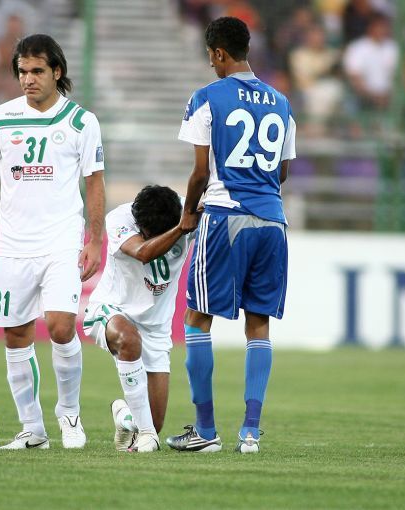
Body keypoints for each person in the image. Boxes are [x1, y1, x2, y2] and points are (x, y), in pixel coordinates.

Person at [0, 34, 105, 450]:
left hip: (61, 239)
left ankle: (69, 414)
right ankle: (33, 430)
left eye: (37, 71)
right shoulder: (0, 118)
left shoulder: (81, 122)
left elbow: (95, 183)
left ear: (57, 72)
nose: (28, 79)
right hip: (12, 243)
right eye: (22, 71)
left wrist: (95, 239)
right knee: (15, 334)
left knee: (61, 326)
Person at [166, 16, 296, 454]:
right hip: (272, 221)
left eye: (211, 57)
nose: (211, 64)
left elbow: (200, 173)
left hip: (225, 217)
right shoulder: (281, 102)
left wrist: (188, 213)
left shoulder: (207, 97)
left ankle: (205, 431)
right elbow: (282, 170)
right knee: (258, 324)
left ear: (219, 52)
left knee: (197, 318)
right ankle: (250, 433)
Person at [83, 185, 191, 453]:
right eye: (145, 232)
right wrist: (182, 229)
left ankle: (125, 416)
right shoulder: (119, 219)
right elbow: (143, 252)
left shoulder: (185, 211)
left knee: (155, 421)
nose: (147, 236)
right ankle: (146, 434)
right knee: (128, 339)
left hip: (156, 328)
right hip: (111, 309)